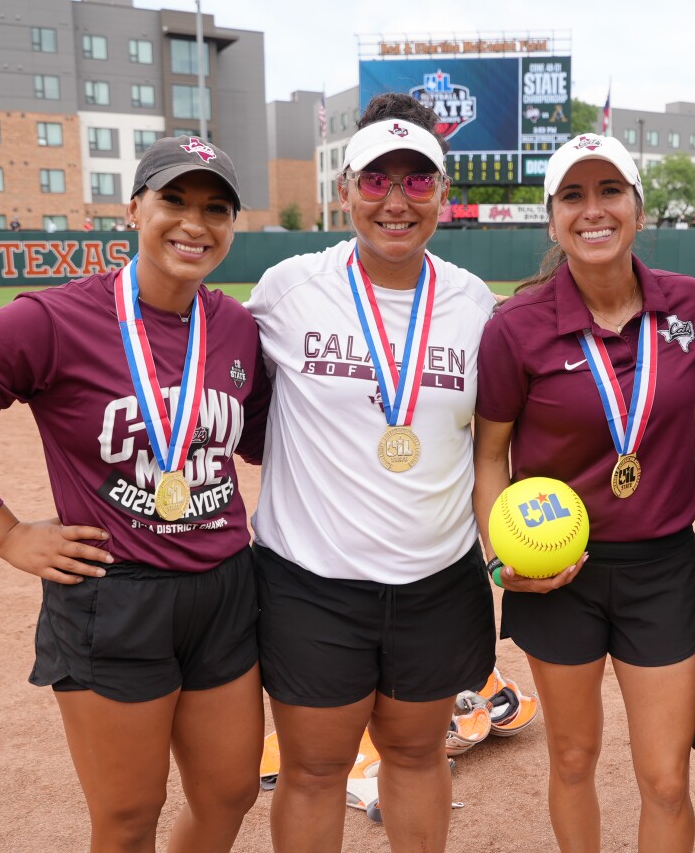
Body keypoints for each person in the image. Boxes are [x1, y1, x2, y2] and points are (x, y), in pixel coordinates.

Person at [0, 135, 270, 853]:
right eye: (174, 200)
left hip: (223, 588)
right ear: (134, 209)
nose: (195, 222)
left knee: (229, 792)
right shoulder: (52, 319)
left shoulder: (238, 327)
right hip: (113, 597)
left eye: (216, 208)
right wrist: (4, 534)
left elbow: (261, 439)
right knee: (127, 818)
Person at [245, 92, 496, 853]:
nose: (396, 200)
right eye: (376, 180)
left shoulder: (476, 305)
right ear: (345, 189)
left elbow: (492, 445)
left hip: (437, 583)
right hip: (311, 581)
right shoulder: (287, 291)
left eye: (417, 181)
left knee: (418, 754)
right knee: (316, 769)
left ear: (443, 196)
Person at [474, 132, 695, 852]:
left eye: (610, 191)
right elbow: (490, 456)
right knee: (574, 758)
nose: (593, 210)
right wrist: (499, 560)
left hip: (661, 569)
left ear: (638, 208)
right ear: (552, 219)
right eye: (573, 196)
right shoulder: (516, 326)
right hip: (555, 572)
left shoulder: (691, 307)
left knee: (666, 777)